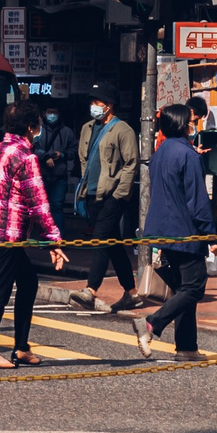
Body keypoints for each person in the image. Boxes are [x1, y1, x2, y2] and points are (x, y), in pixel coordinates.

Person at [0, 101, 69, 369]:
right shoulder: (25, 157)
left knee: (28, 282)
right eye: (37, 122)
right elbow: (38, 202)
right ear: (30, 127)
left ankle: (21, 347)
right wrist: (53, 240)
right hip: (8, 236)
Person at [135, 106, 217, 360]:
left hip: (163, 230)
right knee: (194, 287)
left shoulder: (160, 153)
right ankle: (151, 323)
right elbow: (198, 200)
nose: (193, 124)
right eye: (191, 121)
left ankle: (187, 347)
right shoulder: (188, 155)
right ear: (183, 125)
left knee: (183, 288)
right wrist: (211, 235)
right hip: (185, 231)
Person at [66, 92, 140, 312]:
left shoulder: (123, 130)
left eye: (97, 103)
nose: (93, 107)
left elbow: (131, 163)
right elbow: (83, 158)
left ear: (109, 105)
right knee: (113, 244)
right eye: (92, 103)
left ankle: (91, 290)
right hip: (92, 194)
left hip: (113, 195)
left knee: (100, 240)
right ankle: (131, 293)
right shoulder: (87, 127)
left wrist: (120, 194)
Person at [30, 101, 77, 207]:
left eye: (54, 112)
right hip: (41, 175)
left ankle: (57, 224)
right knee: (41, 206)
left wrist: (63, 155)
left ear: (59, 114)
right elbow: (32, 147)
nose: (52, 115)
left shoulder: (67, 132)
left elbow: (74, 151)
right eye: (49, 112)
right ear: (44, 113)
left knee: (57, 205)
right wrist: (45, 156)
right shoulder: (38, 131)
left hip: (60, 175)